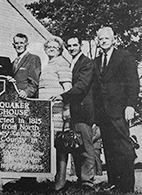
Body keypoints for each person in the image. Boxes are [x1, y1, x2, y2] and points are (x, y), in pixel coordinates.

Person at [93, 27, 139, 193]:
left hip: (120, 110)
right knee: (109, 147)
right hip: (103, 112)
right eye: (101, 39)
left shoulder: (124, 56)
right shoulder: (97, 61)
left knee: (123, 147)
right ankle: (113, 182)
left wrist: (130, 105)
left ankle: (127, 186)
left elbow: (133, 83)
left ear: (114, 40)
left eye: (106, 38)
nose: (103, 41)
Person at [59, 36, 96, 192]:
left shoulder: (87, 62)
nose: (72, 48)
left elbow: (82, 86)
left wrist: (63, 96)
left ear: (81, 45)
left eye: (75, 45)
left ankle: (88, 182)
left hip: (82, 110)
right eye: (69, 45)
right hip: (72, 111)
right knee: (76, 146)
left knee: (86, 147)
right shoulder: (70, 63)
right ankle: (81, 179)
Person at [38, 36, 72, 191]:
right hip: (47, 112)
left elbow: (68, 89)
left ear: (60, 50)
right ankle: (56, 177)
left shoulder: (62, 63)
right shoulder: (48, 65)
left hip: (58, 111)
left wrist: (67, 109)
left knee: (61, 145)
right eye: (49, 47)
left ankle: (61, 179)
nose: (51, 49)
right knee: (54, 145)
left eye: (55, 47)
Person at [12, 33, 41, 99]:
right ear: (13, 45)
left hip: (27, 99)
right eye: (16, 43)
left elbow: (34, 81)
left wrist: (26, 92)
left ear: (26, 44)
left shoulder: (33, 58)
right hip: (15, 100)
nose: (19, 45)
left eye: (21, 43)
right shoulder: (13, 62)